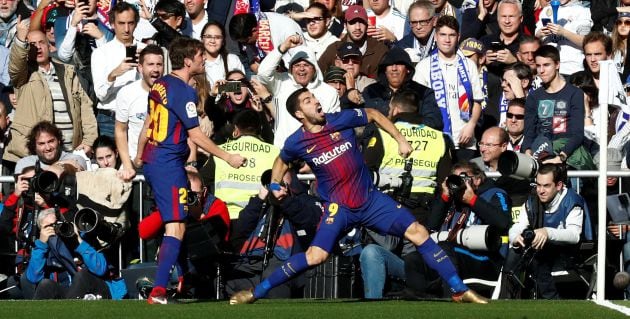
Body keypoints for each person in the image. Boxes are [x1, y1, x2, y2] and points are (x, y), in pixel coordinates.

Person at [229, 87, 488, 305]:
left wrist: (399, 139)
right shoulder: (296, 142)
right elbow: (281, 160)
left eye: (314, 97)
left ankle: (459, 290)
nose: (316, 101)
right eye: (308, 101)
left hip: (371, 201)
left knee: (419, 232)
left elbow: (373, 114)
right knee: (316, 256)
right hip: (339, 209)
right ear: (299, 114)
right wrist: (275, 185)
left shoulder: (340, 120)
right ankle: (256, 292)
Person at [136, 37, 246, 304]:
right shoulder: (184, 91)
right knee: (176, 227)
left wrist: (139, 155)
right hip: (167, 163)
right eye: (199, 56)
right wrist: (227, 156)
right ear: (187, 61)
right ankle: (159, 290)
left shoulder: (160, 84)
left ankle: (180, 282)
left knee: (178, 222)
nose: (203, 59)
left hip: (153, 160)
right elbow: (195, 134)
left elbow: (149, 122)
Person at [404, 161, 511, 299]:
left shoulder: (494, 194)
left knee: (445, 250)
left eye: (463, 179)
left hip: (487, 260)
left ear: (477, 180)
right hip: (453, 254)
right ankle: (419, 306)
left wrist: (473, 200)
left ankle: (450, 304)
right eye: (454, 179)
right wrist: (444, 198)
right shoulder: (451, 201)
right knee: (414, 258)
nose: (458, 183)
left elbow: (503, 223)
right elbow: (430, 227)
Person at [4, 23, 96, 172]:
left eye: (41, 43)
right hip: (35, 156)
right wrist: (21, 39)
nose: (38, 47)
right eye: (32, 45)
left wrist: (88, 141)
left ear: (49, 46)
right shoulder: (23, 75)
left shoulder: (67, 72)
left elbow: (85, 107)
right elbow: (15, 65)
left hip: (69, 154)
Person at [225, 168, 322, 298]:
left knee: (271, 275)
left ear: (291, 182)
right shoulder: (262, 203)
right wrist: (259, 200)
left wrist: (285, 200)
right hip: (253, 257)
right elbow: (240, 229)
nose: (275, 186)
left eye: (279, 181)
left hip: (285, 259)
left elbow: (311, 220)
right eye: (272, 182)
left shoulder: (305, 201)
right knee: (232, 278)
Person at [505, 163, 592, 299]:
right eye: (538, 185)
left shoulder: (572, 200)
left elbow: (574, 235)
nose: (541, 191)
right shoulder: (532, 200)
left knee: (538, 257)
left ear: (558, 185)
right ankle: (507, 299)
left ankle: (552, 300)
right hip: (540, 250)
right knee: (514, 250)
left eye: (546, 186)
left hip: (569, 253)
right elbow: (517, 226)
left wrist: (547, 232)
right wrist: (515, 237)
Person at [413, 15, 483, 161]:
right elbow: (418, 105)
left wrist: (471, 125)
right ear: (436, 36)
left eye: (452, 35)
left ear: (458, 37)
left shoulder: (469, 65)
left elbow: (477, 101)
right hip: (436, 139)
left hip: (465, 141)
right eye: (443, 35)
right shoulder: (423, 67)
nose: (447, 40)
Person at [17, 208, 124, 299]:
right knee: (46, 285)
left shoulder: (82, 236)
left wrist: (78, 240)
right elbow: (33, 278)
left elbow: (100, 269)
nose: (54, 229)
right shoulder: (44, 248)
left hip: (98, 289)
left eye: (56, 224)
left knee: (82, 275)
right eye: (48, 227)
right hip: (71, 293)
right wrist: (41, 245)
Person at [257, 34, 339, 148]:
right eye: (296, 65)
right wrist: (284, 47)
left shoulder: (329, 92)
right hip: (284, 151)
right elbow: (263, 73)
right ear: (290, 68)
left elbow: (333, 125)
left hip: (317, 152)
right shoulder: (281, 83)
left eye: (306, 65)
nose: (301, 69)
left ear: (314, 69)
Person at [522, 45, 593, 170]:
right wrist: (528, 152)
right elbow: (529, 132)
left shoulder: (574, 93)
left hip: (568, 158)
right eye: (538, 66)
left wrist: (561, 157)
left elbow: (578, 133)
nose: (541, 70)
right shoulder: (534, 96)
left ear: (557, 65)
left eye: (546, 65)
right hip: (541, 155)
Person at [214, 109, 279, 220]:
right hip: (260, 216)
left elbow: (203, 179)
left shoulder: (220, 151)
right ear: (260, 129)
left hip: (226, 217)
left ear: (236, 129)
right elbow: (280, 185)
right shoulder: (275, 152)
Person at [91, 2, 144, 138]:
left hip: (141, 117)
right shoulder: (101, 53)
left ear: (136, 24)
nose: (126, 29)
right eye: (121, 23)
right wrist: (114, 73)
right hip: (110, 118)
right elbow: (101, 95)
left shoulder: (146, 50)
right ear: (112, 24)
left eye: (130, 23)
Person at [363, 46, 443, 131]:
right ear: (385, 70)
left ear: (408, 69)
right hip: (380, 141)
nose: (394, 68)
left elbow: (435, 122)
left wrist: (402, 119)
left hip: (412, 141)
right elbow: (364, 124)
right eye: (389, 65)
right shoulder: (371, 91)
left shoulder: (423, 92)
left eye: (399, 64)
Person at [115, 44, 164, 181]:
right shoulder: (126, 93)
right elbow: (120, 130)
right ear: (140, 68)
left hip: (162, 162)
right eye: (151, 64)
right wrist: (126, 165)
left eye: (159, 64)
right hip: (134, 162)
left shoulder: (171, 91)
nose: (155, 69)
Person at [317, 5, 389, 78]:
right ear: (345, 25)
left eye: (361, 22)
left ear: (367, 25)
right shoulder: (334, 49)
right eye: (352, 22)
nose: (357, 27)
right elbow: (317, 75)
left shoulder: (380, 50)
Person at [228, 11, 302, 74]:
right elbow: (253, 64)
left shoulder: (287, 29)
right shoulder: (247, 32)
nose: (244, 45)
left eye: (246, 42)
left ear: (254, 31)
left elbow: (301, 65)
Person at [535, 0, 592, 76]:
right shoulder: (546, 10)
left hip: (571, 69)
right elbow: (536, 37)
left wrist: (564, 32)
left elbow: (586, 42)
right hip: (547, 69)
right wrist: (540, 34)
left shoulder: (581, 11)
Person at [14, 121, 87, 175]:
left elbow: (80, 170)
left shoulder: (77, 159)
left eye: (51, 141)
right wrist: (63, 164)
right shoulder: (24, 163)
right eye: (42, 143)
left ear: (58, 141)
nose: (48, 148)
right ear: (34, 146)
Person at [201, 20, 244, 91]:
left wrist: (219, 89)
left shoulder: (232, 59)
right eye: (208, 37)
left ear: (223, 41)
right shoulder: (196, 62)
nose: (212, 41)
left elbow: (242, 85)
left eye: (217, 37)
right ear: (202, 39)